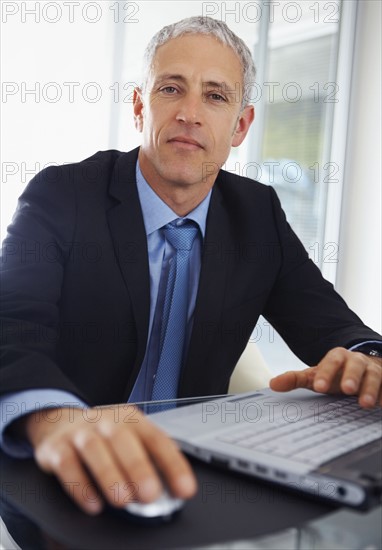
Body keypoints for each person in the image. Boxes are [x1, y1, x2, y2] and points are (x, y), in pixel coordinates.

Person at [1, 16, 381, 519]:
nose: (189, 114)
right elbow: (11, 325)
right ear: (141, 106)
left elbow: (329, 321)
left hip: (196, 477)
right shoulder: (62, 194)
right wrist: (52, 416)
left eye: (216, 96)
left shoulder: (258, 214)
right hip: (69, 472)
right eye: (171, 88)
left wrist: (365, 360)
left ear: (240, 126)